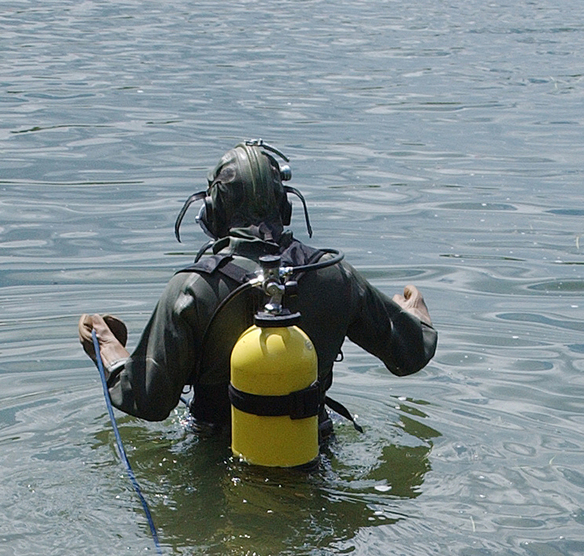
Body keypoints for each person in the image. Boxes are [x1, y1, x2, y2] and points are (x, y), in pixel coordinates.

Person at [79, 140, 437, 440]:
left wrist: (107, 349)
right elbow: (410, 354)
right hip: (310, 457)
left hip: (217, 459)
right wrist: (414, 314)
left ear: (212, 211)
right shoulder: (335, 276)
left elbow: (148, 401)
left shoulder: (190, 290)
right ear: (285, 206)